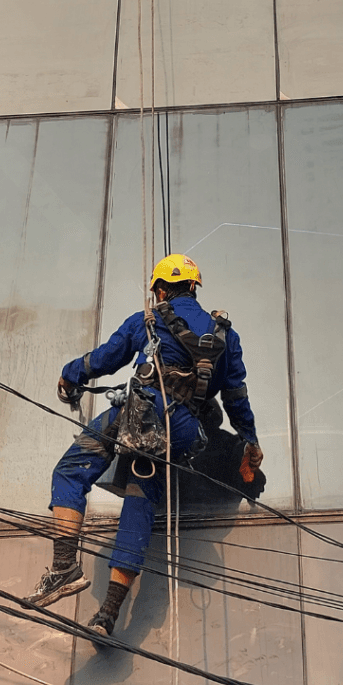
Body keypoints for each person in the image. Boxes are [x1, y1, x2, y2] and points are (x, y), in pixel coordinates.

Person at [24, 253, 263, 637]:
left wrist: (69, 376)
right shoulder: (224, 335)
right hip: (182, 432)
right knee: (140, 499)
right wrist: (249, 439)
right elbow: (235, 396)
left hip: (143, 413)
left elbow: (103, 360)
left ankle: (64, 567)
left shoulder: (148, 322)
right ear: (194, 288)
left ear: (161, 290)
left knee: (70, 470)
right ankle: (108, 615)